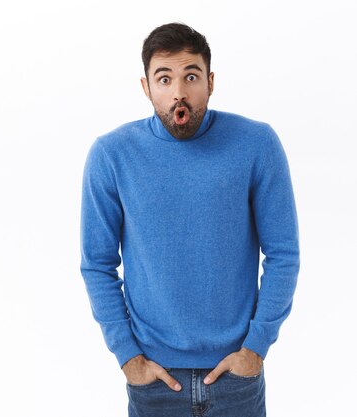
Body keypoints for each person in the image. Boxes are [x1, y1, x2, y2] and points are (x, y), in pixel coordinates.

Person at [79, 22, 300, 417]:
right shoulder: (111, 156)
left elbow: (283, 254)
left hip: (237, 377)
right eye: (164, 79)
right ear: (146, 87)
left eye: (191, 76)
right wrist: (128, 357)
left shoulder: (257, 144)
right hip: (154, 382)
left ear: (211, 82)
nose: (179, 92)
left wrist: (256, 348)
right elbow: (97, 264)